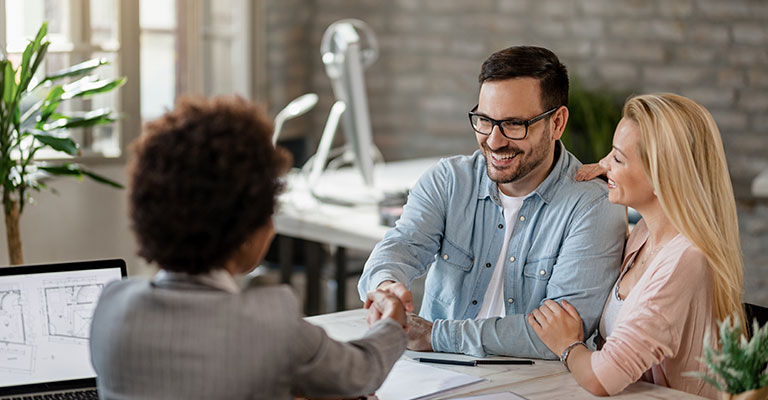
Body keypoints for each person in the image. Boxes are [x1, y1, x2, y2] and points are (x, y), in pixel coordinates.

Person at [89, 96, 408, 400]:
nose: (272, 227)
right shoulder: (270, 325)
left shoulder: (112, 307)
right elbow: (362, 370)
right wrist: (392, 322)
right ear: (244, 230)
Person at [357, 46, 626, 358]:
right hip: (435, 374)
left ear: (557, 123)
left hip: (533, 385)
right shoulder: (449, 181)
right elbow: (400, 246)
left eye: (514, 124)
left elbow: (560, 338)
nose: (494, 141)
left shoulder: (592, 207)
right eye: (485, 120)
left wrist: (435, 335)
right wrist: (386, 286)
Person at [528, 93, 745, 398]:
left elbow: (602, 379)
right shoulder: (644, 232)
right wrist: (610, 174)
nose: (603, 164)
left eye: (617, 157)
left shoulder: (685, 261)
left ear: (662, 175)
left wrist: (568, 346)